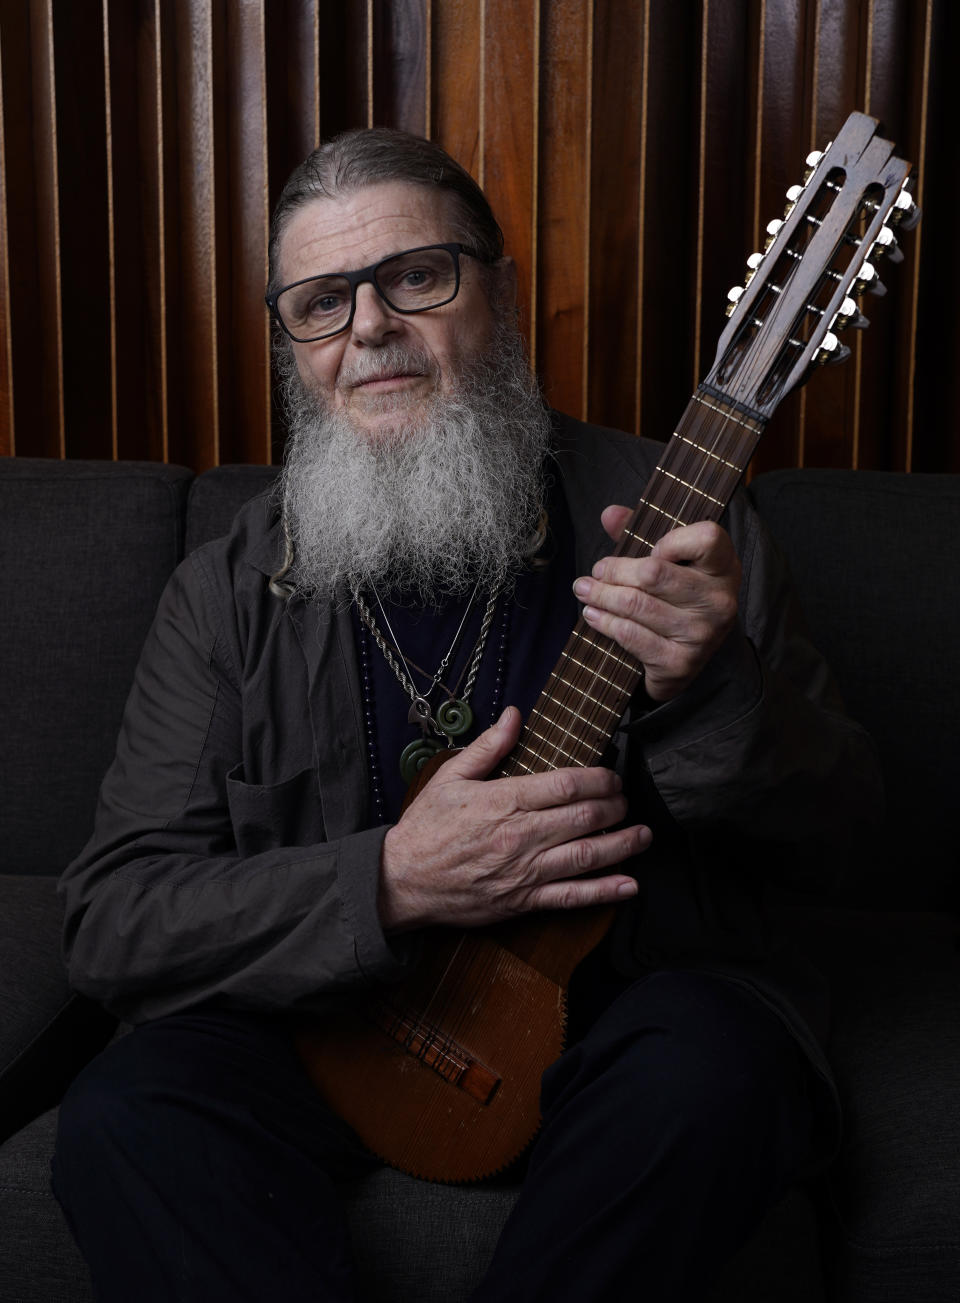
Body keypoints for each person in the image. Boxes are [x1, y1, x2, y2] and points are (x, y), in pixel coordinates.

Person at [52, 127, 880, 1301]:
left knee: (713, 1072)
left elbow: (845, 838)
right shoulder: (228, 592)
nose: (370, 327)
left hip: (625, 1024)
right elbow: (112, 918)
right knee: (126, 1117)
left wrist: (710, 686)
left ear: (504, 291)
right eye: (320, 303)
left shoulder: (690, 527)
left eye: (416, 276)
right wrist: (389, 877)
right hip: (333, 1020)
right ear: (294, 348)